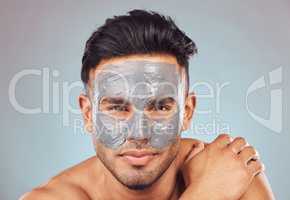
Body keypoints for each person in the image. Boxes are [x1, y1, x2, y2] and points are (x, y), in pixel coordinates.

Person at [21, 9, 275, 200]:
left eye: (160, 107)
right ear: (88, 114)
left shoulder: (230, 170)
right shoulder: (53, 198)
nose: (140, 133)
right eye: (118, 108)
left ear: (186, 112)